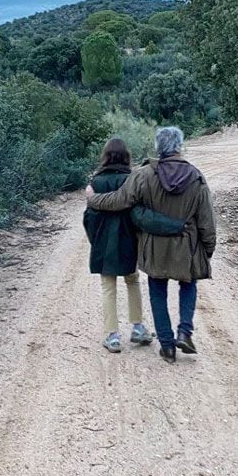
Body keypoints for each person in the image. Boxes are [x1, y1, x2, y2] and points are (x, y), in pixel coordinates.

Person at [86, 127, 216, 364]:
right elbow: (206, 219)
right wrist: (207, 248)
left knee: (158, 289)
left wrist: (93, 200)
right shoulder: (196, 177)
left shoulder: (144, 175)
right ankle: (185, 331)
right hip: (187, 247)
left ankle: (167, 346)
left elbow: (120, 200)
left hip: (155, 246)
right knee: (189, 284)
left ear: (158, 147)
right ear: (179, 146)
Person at [84, 137, 185, 354]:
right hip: (129, 239)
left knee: (108, 287)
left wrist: (95, 240)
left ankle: (112, 336)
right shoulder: (133, 179)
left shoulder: (96, 183)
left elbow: (89, 218)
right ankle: (138, 327)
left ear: (105, 156)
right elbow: (139, 214)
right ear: (126, 156)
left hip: (104, 241)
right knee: (133, 281)